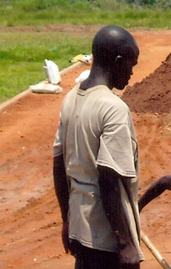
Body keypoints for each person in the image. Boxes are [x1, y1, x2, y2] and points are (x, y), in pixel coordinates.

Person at [53, 25, 144, 269]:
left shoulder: (71, 99)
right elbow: (108, 178)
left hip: (79, 227)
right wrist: (125, 243)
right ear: (117, 61)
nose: (132, 73)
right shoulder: (113, 108)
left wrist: (66, 220)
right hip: (106, 238)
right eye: (131, 65)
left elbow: (59, 165)